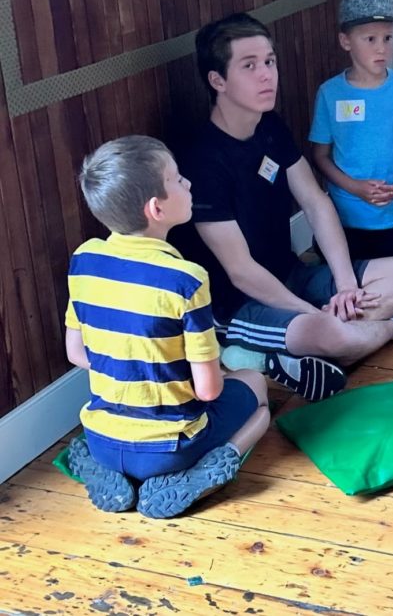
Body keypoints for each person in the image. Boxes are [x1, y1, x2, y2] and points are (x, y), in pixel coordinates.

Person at [175, 12, 393, 399]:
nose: (267, 75)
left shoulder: (270, 126)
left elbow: (315, 201)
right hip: (237, 304)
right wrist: (310, 313)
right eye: (249, 65)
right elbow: (241, 273)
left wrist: (345, 284)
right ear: (217, 80)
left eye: (269, 61)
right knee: (332, 333)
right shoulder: (202, 160)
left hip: (291, 275)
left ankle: (297, 351)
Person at [65, 135, 270, 518]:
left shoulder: (84, 260)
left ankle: (101, 467)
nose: (187, 183)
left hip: (103, 440)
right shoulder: (186, 279)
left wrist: (134, 370)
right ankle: (202, 474)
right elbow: (208, 390)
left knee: (116, 429)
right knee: (258, 392)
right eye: (177, 179)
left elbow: (76, 352)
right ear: (156, 208)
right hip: (171, 450)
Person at [309, 0, 393, 267]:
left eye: (388, 38)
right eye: (370, 39)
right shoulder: (330, 93)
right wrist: (354, 187)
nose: (381, 48)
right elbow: (320, 155)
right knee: (349, 280)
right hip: (348, 215)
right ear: (346, 41)